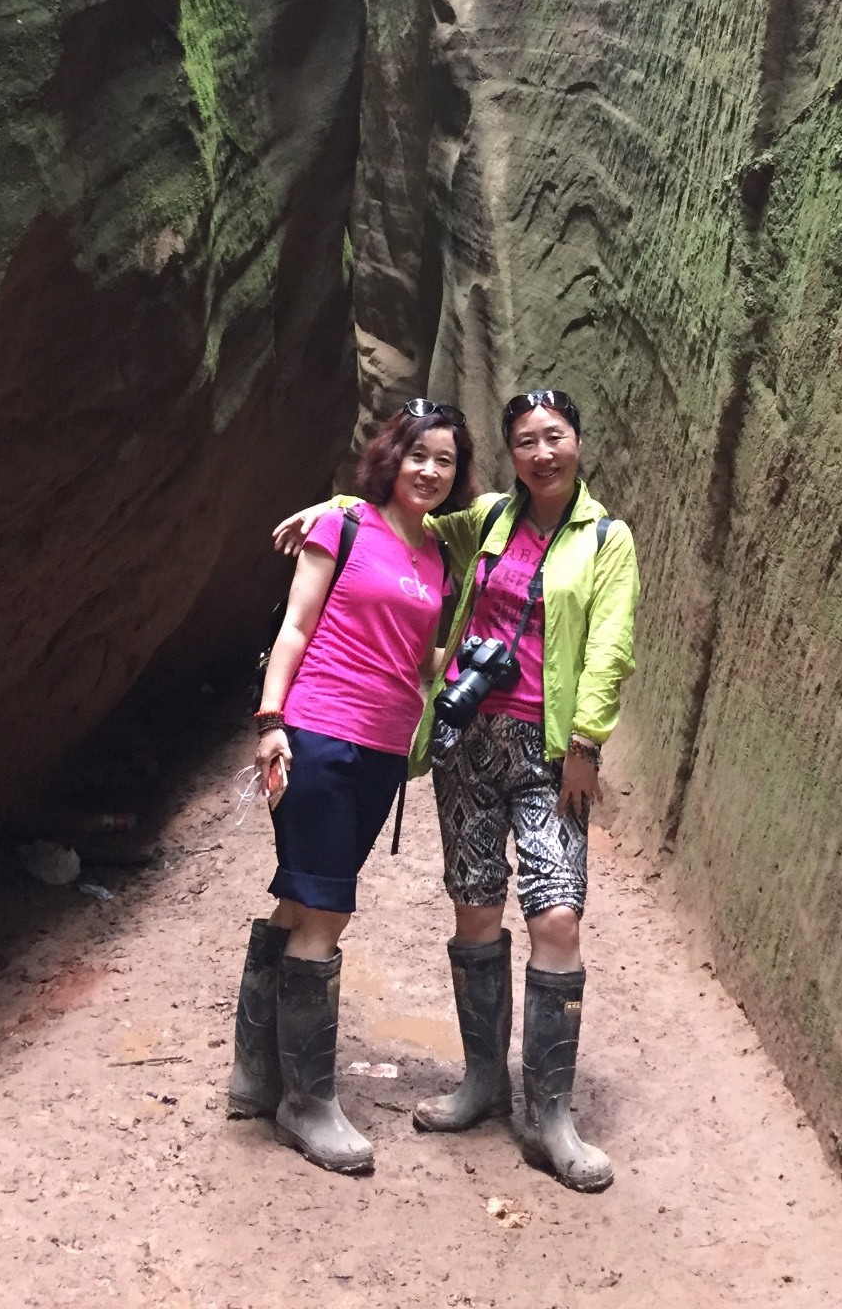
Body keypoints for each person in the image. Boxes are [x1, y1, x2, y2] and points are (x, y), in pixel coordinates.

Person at [274, 387, 638, 1192]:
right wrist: (330, 505)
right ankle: (483, 1083)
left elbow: (611, 643)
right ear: (511, 456)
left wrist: (587, 742)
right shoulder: (492, 521)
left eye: (555, 437)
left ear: (577, 441)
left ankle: (549, 1116)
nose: (543, 453)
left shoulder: (607, 539)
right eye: (526, 443)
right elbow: (403, 514)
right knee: (475, 904)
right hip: (469, 745)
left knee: (557, 914)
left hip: (550, 751)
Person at [228, 399, 475, 1175]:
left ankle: (256, 1075)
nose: (430, 470)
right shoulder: (343, 526)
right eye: (419, 455)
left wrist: (474, 668)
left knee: (303, 899)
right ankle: (308, 1103)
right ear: (391, 457)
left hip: (383, 748)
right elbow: (296, 628)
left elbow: (419, 656)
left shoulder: (437, 552)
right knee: (327, 910)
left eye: (445, 460)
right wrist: (271, 722)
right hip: (319, 733)